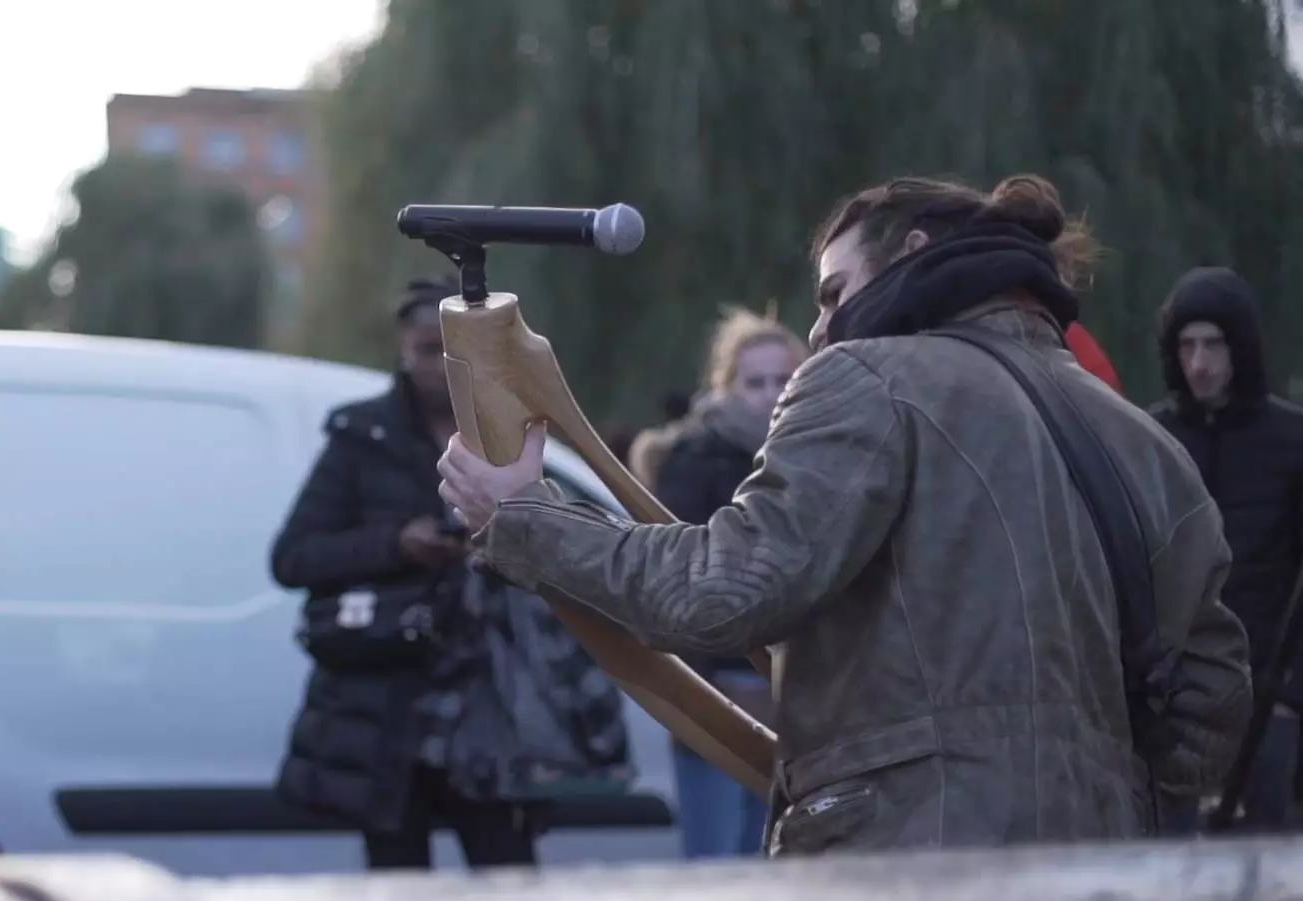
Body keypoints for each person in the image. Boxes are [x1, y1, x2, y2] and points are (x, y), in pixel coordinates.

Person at [438, 174, 1252, 855]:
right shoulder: (1145, 441)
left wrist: (525, 517)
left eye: (833, 294)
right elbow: (1210, 714)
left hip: (902, 874)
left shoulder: (868, 379)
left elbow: (728, 588)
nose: (818, 330)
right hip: (1103, 880)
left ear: (914, 256)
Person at [271, 277, 631, 871]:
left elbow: (567, 543)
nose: (439, 367)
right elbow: (294, 557)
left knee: (507, 875)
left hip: (490, 701)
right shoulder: (364, 439)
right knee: (398, 885)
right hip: (394, 699)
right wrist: (398, 545)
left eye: (451, 351)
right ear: (402, 351)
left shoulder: (509, 434)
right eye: (424, 351)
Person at [1148, 267, 1303, 832]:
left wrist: (1292, 696)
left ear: (1239, 347)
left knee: (1269, 872)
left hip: (1271, 701)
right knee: (1171, 871)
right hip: (1175, 704)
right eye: (1187, 346)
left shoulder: (1291, 444)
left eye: (1213, 344)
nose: (1200, 363)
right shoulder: (1151, 440)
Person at [647, 307, 805, 858]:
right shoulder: (693, 460)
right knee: (718, 871)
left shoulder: (820, 457)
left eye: (783, 379)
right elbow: (674, 581)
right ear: (727, 387)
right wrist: (706, 696)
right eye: (755, 381)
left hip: (803, 708)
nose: (770, 393)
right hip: (720, 698)